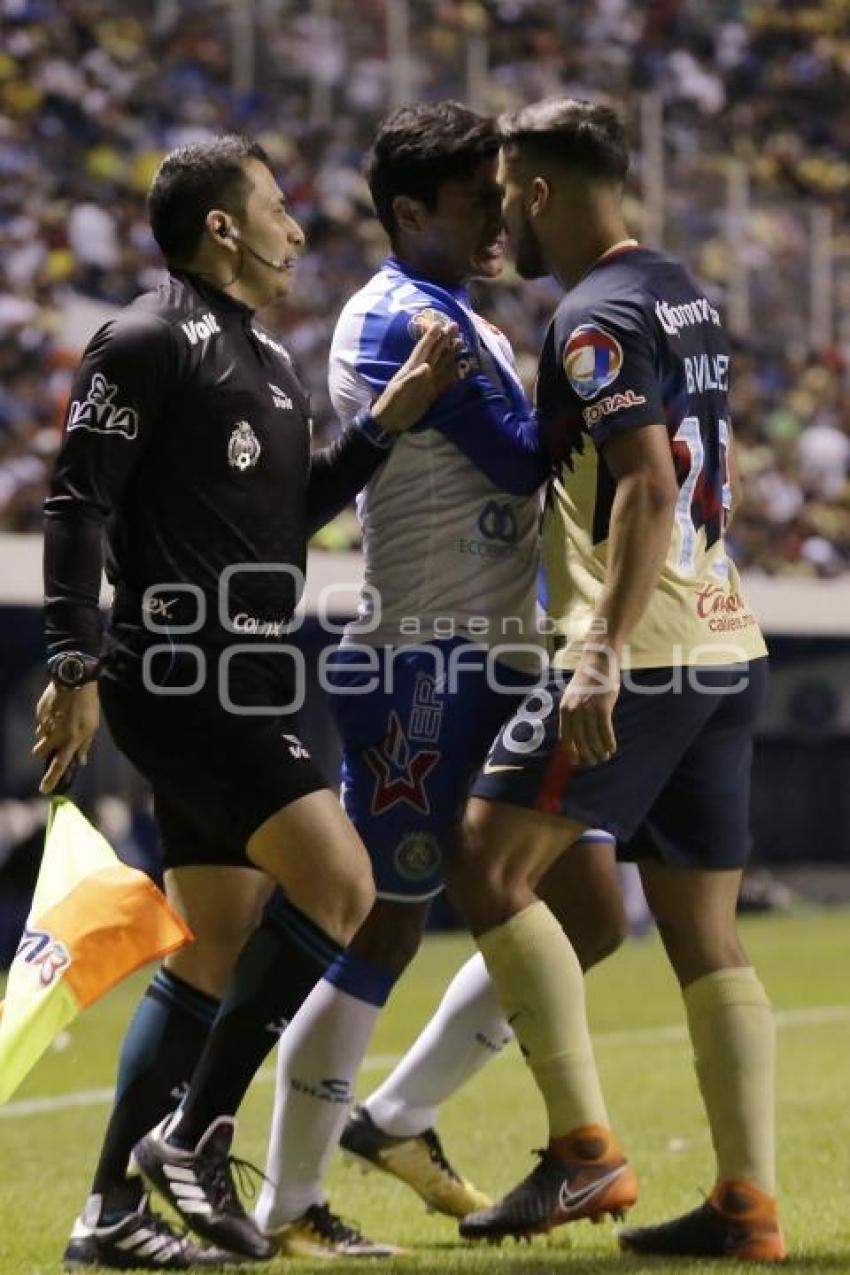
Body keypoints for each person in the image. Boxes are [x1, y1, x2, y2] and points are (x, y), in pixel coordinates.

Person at [34, 134, 457, 1270]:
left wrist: (385, 422)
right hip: (183, 676)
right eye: (275, 206)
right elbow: (74, 507)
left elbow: (285, 518)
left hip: (250, 673)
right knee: (346, 887)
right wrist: (73, 665)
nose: (296, 227)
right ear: (221, 226)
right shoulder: (142, 339)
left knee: (212, 949)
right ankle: (193, 1140)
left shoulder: (268, 362)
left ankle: (107, 1216)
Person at [252, 101, 626, 1260]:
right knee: (386, 927)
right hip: (420, 661)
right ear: (410, 213)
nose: (504, 219)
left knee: (589, 916)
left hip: (505, 658)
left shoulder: (466, 318)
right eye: (479, 201)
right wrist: (623, 368)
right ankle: (287, 1205)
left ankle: (397, 1118)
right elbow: (521, 462)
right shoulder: (395, 318)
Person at [447, 98, 783, 1262]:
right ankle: (747, 1203)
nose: (500, 221)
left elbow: (642, 483)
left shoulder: (589, 319)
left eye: (503, 199)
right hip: (724, 635)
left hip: (638, 647)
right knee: (705, 934)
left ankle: (582, 1151)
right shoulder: (681, 288)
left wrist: (594, 651)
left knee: (486, 860)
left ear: (538, 192)